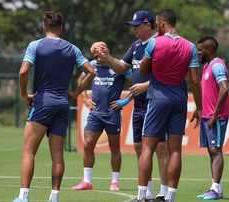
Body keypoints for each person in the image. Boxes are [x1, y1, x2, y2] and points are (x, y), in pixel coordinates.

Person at [13, 11, 96, 202]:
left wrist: (24, 95)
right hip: (62, 103)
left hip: (43, 101)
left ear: (44, 27)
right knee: (58, 154)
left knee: (29, 151)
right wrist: (75, 93)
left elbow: (23, 71)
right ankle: (54, 196)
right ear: (61, 28)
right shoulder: (72, 49)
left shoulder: (35, 45)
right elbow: (91, 72)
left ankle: (24, 197)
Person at [98, 10, 170, 201]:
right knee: (139, 146)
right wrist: (108, 58)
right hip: (138, 106)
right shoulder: (136, 45)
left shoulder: (161, 44)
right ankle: (147, 192)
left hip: (156, 103)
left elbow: (169, 76)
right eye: (133, 26)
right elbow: (122, 67)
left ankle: (164, 193)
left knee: (161, 148)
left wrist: (146, 85)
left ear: (148, 25)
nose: (134, 30)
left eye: (137, 26)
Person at [136, 8, 202, 202]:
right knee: (175, 150)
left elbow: (143, 69)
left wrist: (151, 57)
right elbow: (195, 81)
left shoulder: (155, 43)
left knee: (147, 148)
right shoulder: (190, 47)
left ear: (162, 24)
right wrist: (199, 107)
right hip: (179, 100)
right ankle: (170, 196)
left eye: (158, 24)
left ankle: (141, 196)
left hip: (158, 98)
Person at [72, 41, 132, 191]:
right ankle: (87, 181)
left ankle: (115, 182)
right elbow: (80, 80)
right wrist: (85, 99)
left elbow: (136, 83)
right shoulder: (92, 65)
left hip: (112, 113)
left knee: (114, 148)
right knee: (87, 145)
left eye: (100, 51)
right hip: (95, 114)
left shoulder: (119, 66)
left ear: (107, 51)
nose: (98, 56)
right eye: (95, 54)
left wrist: (125, 100)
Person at [196, 36, 229, 200]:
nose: (198, 52)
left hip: (216, 117)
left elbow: (224, 89)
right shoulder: (207, 66)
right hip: (207, 116)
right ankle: (216, 188)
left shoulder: (217, 66)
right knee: (212, 151)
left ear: (209, 50)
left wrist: (215, 115)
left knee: (216, 150)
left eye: (200, 49)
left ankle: (215, 189)